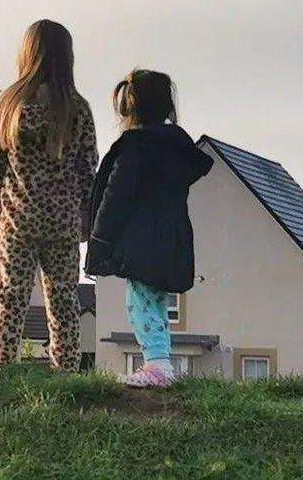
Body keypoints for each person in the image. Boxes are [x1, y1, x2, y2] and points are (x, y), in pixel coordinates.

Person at [85, 69, 212, 387]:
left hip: (140, 241)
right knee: (154, 301)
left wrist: (98, 242)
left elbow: (115, 197)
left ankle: (157, 364)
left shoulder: (136, 149)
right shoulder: (176, 149)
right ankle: (161, 361)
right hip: (171, 237)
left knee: (140, 300)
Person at [0, 20, 98, 373]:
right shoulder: (77, 108)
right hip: (63, 219)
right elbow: (87, 167)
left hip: (19, 217)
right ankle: (65, 368)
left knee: (11, 297)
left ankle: (1, 366)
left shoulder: (9, 104)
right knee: (64, 299)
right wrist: (86, 217)